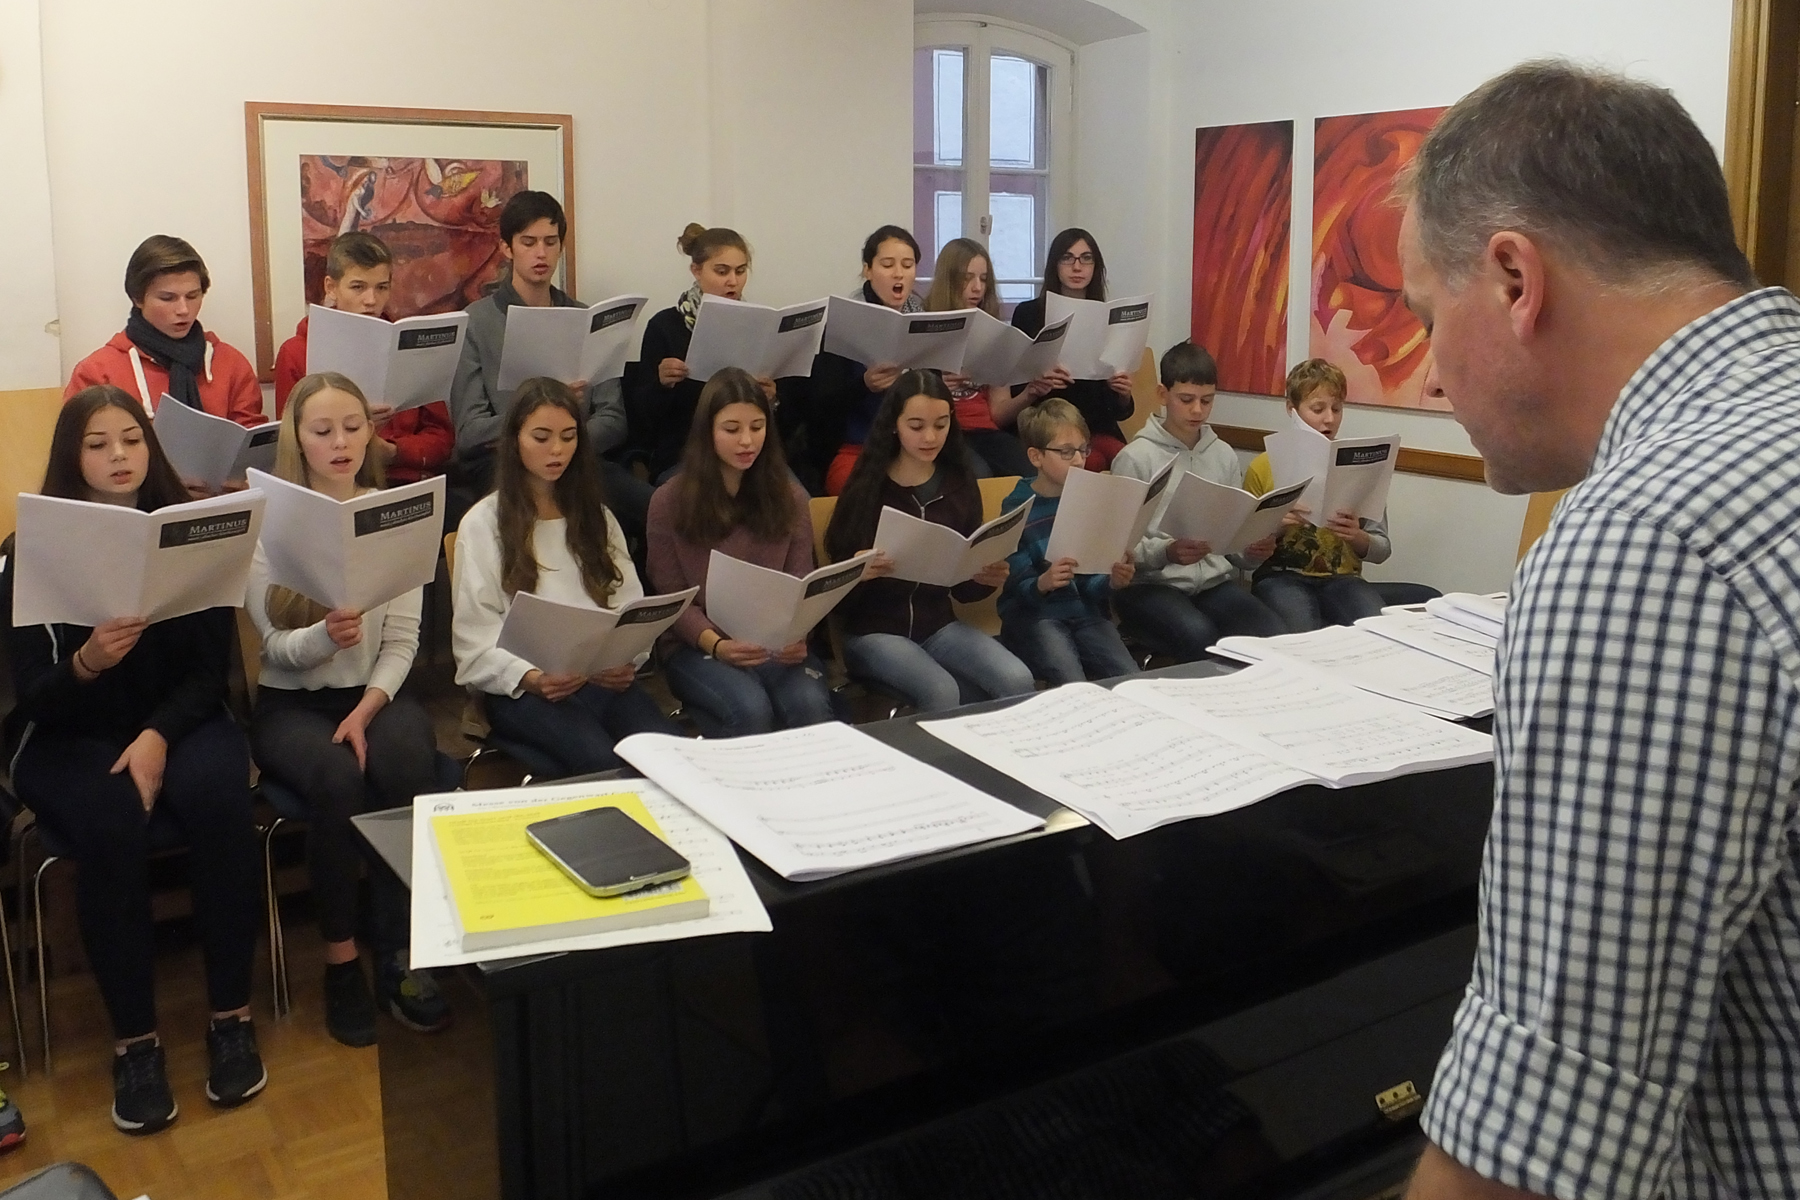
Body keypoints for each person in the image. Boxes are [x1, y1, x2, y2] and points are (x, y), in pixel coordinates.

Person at [1394, 62, 1799, 1200]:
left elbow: (1537, 1159)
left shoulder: (1650, 538)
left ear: (1515, 278)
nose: (1431, 377)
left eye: (1427, 317)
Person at [1, 386, 266, 1135]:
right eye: (98, 444)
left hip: (176, 720)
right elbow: (35, 696)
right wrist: (88, 661)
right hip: (68, 731)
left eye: (131, 439)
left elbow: (208, 673)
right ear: (72, 457)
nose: (119, 455)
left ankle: (231, 1017)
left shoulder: (186, 526)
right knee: (111, 817)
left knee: (219, 796)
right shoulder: (30, 548)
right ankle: (136, 1045)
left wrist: (156, 737)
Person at [246, 371, 450, 1048]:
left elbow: (403, 641)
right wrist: (324, 637)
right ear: (297, 440)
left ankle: (398, 949)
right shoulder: (268, 524)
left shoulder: (393, 513)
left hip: (373, 693)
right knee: (337, 777)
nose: (340, 442)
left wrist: (366, 709)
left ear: (370, 434)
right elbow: (274, 649)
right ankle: (340, 961)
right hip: (292, 704)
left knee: (407, 757)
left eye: (352, 427)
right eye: (322, 430)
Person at [452, 379, 681, 775]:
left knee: (667, 757)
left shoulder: (596, 517)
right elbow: (475, 639)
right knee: (599, 761)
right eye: (541, 437)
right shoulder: (483, 524)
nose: (557, 450)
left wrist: (624, 659)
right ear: (514, 441)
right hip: (520, 690)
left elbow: (627, 604)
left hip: (598, 679)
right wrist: (531, 677)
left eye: (569, 437)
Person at [447, 190, 652, 540]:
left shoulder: (585, 318)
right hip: (505, 463)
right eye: (529, 242)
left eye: (550, 242)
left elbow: (613, 418)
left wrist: (565, 442)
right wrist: (536, 424)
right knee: (528, 520)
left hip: (578, 457)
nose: (541, 253)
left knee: (656, 508)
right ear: (507, 248)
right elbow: (470, 433)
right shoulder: (476, 322)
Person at [824, 370, 1033, 711]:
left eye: (941, 424)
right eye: (916, 426)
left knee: (1017, 678)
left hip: (938, 626)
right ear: (895, 424)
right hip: (873, 632)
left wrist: (984, 578)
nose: (930, 437)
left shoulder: (959, 483)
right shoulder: (868, 486)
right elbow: (833, 594)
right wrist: (857, 573)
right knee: (943, 690)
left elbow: (963, 590)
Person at [645, 368, 836, 736]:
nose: (747, 441)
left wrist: (798, 635)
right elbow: (671, 597)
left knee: (809, 706)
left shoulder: (790, 497)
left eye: (757, 427)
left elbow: (801, 582)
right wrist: (718, 645)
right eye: (732, 429)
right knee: (750, 708)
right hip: (697, 645)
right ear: (707, 432)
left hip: (774, 641)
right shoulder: (669, 501)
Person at [1111, 343, 1284, 659]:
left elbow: (1231, 542)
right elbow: (1118, 544)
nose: (1197, 411)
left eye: (1207, 400)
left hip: (1212, 583)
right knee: (1200, 636)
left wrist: (1251, 551)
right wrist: (1167, 551)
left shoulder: (1222, 454)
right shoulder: (1135, 458)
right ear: (1162, 394)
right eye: (1186, 399)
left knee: (1271, 633)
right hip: (1150, 585)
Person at [272, 232, 455, 494]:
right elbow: (288, 442)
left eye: (381, 288)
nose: (371, 300)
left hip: (405, 477)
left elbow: (442, 439)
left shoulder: (408, 345)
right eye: (358, 287)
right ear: (331, 287)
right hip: (330, 485)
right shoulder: (297, 352)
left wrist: (394, 451)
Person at [1240, 359, 1395, 631]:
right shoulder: (1264, 466)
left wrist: (1357, 536)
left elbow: (1382, 549)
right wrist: (1275, 526)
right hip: (1281, 577)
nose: (1330, 419)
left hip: (1343, 578)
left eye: (1337, 408)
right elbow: (1241, 555)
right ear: (1292, 409)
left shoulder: (1357, 465)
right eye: (1317, 409)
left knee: (1377, 628)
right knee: (1302, 632)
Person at [636, 224, 795, 482]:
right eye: (722, 271)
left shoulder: (760, 325)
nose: (733, 281)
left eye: (740, 271)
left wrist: (771, 398)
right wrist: (661, 384)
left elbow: (786, 424)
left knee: (796, 499)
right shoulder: (665, 326)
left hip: (750, 455)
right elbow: (644, 419)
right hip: (685, 456)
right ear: (696, 271)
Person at [997, 400, 1137, 683]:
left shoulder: (1087, 498)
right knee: (1071, 681)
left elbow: (1090, 581)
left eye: (1083, 450)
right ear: (1036, 456)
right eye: (1065, 451)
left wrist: (1112, 580)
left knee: (1130, 678)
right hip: (1036, 617)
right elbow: (1013, 585)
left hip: (1085, 613)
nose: (1078, 459)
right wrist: (1042, 583)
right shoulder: (1017, 506)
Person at [65, 235, 264, 427]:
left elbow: (251, 437)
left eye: (192, 296)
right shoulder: (97, 372)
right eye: (167, 298)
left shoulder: (231, 364)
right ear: (137, 299)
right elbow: (79, 443)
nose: (183, 310)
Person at [1008, 228, 1135, 470]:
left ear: (1096, 266)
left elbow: (1119, 411)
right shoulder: (1029, 313)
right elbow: (1015, 385)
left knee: (1130, 460)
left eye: (1086, 258)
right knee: (1092, 461)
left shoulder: (1105, 315)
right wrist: (1039, 382)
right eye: (1067, 258)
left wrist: (1123, 393)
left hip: (1096, 425)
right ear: (1054, 265)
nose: (1077, 267)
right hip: (1050, 421)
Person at [811, 225, 923, 495]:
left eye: (907, 265)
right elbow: (820, 406)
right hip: (857, 445)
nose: (899, 273)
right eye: (887, 264)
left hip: (915, 443)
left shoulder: (922, 317)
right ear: (868, 270)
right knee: (870, 492)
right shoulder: (844, 323)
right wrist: (864, 385)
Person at [924, 238, 1035, 479]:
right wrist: (939, 386)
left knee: (1031, 470)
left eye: (983, 279)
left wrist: (1029, 394)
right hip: (946, 431)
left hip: (985, 431)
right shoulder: (924, 323)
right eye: (968, 278)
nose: (977, 288)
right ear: (950, 280)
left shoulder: (992, 330)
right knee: (978, 474)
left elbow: (998, 413)